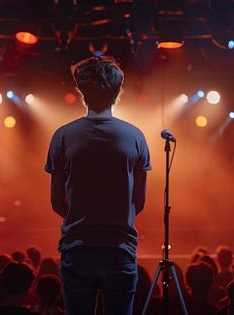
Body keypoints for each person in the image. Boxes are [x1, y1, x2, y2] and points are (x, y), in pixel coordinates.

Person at [44, 56, 151, 315]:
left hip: (77, 248)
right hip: (120, 248)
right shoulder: (135, 136)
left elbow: (57, 202)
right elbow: (139, 202)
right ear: (118, 92)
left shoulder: (62, 136)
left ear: (81, 92)